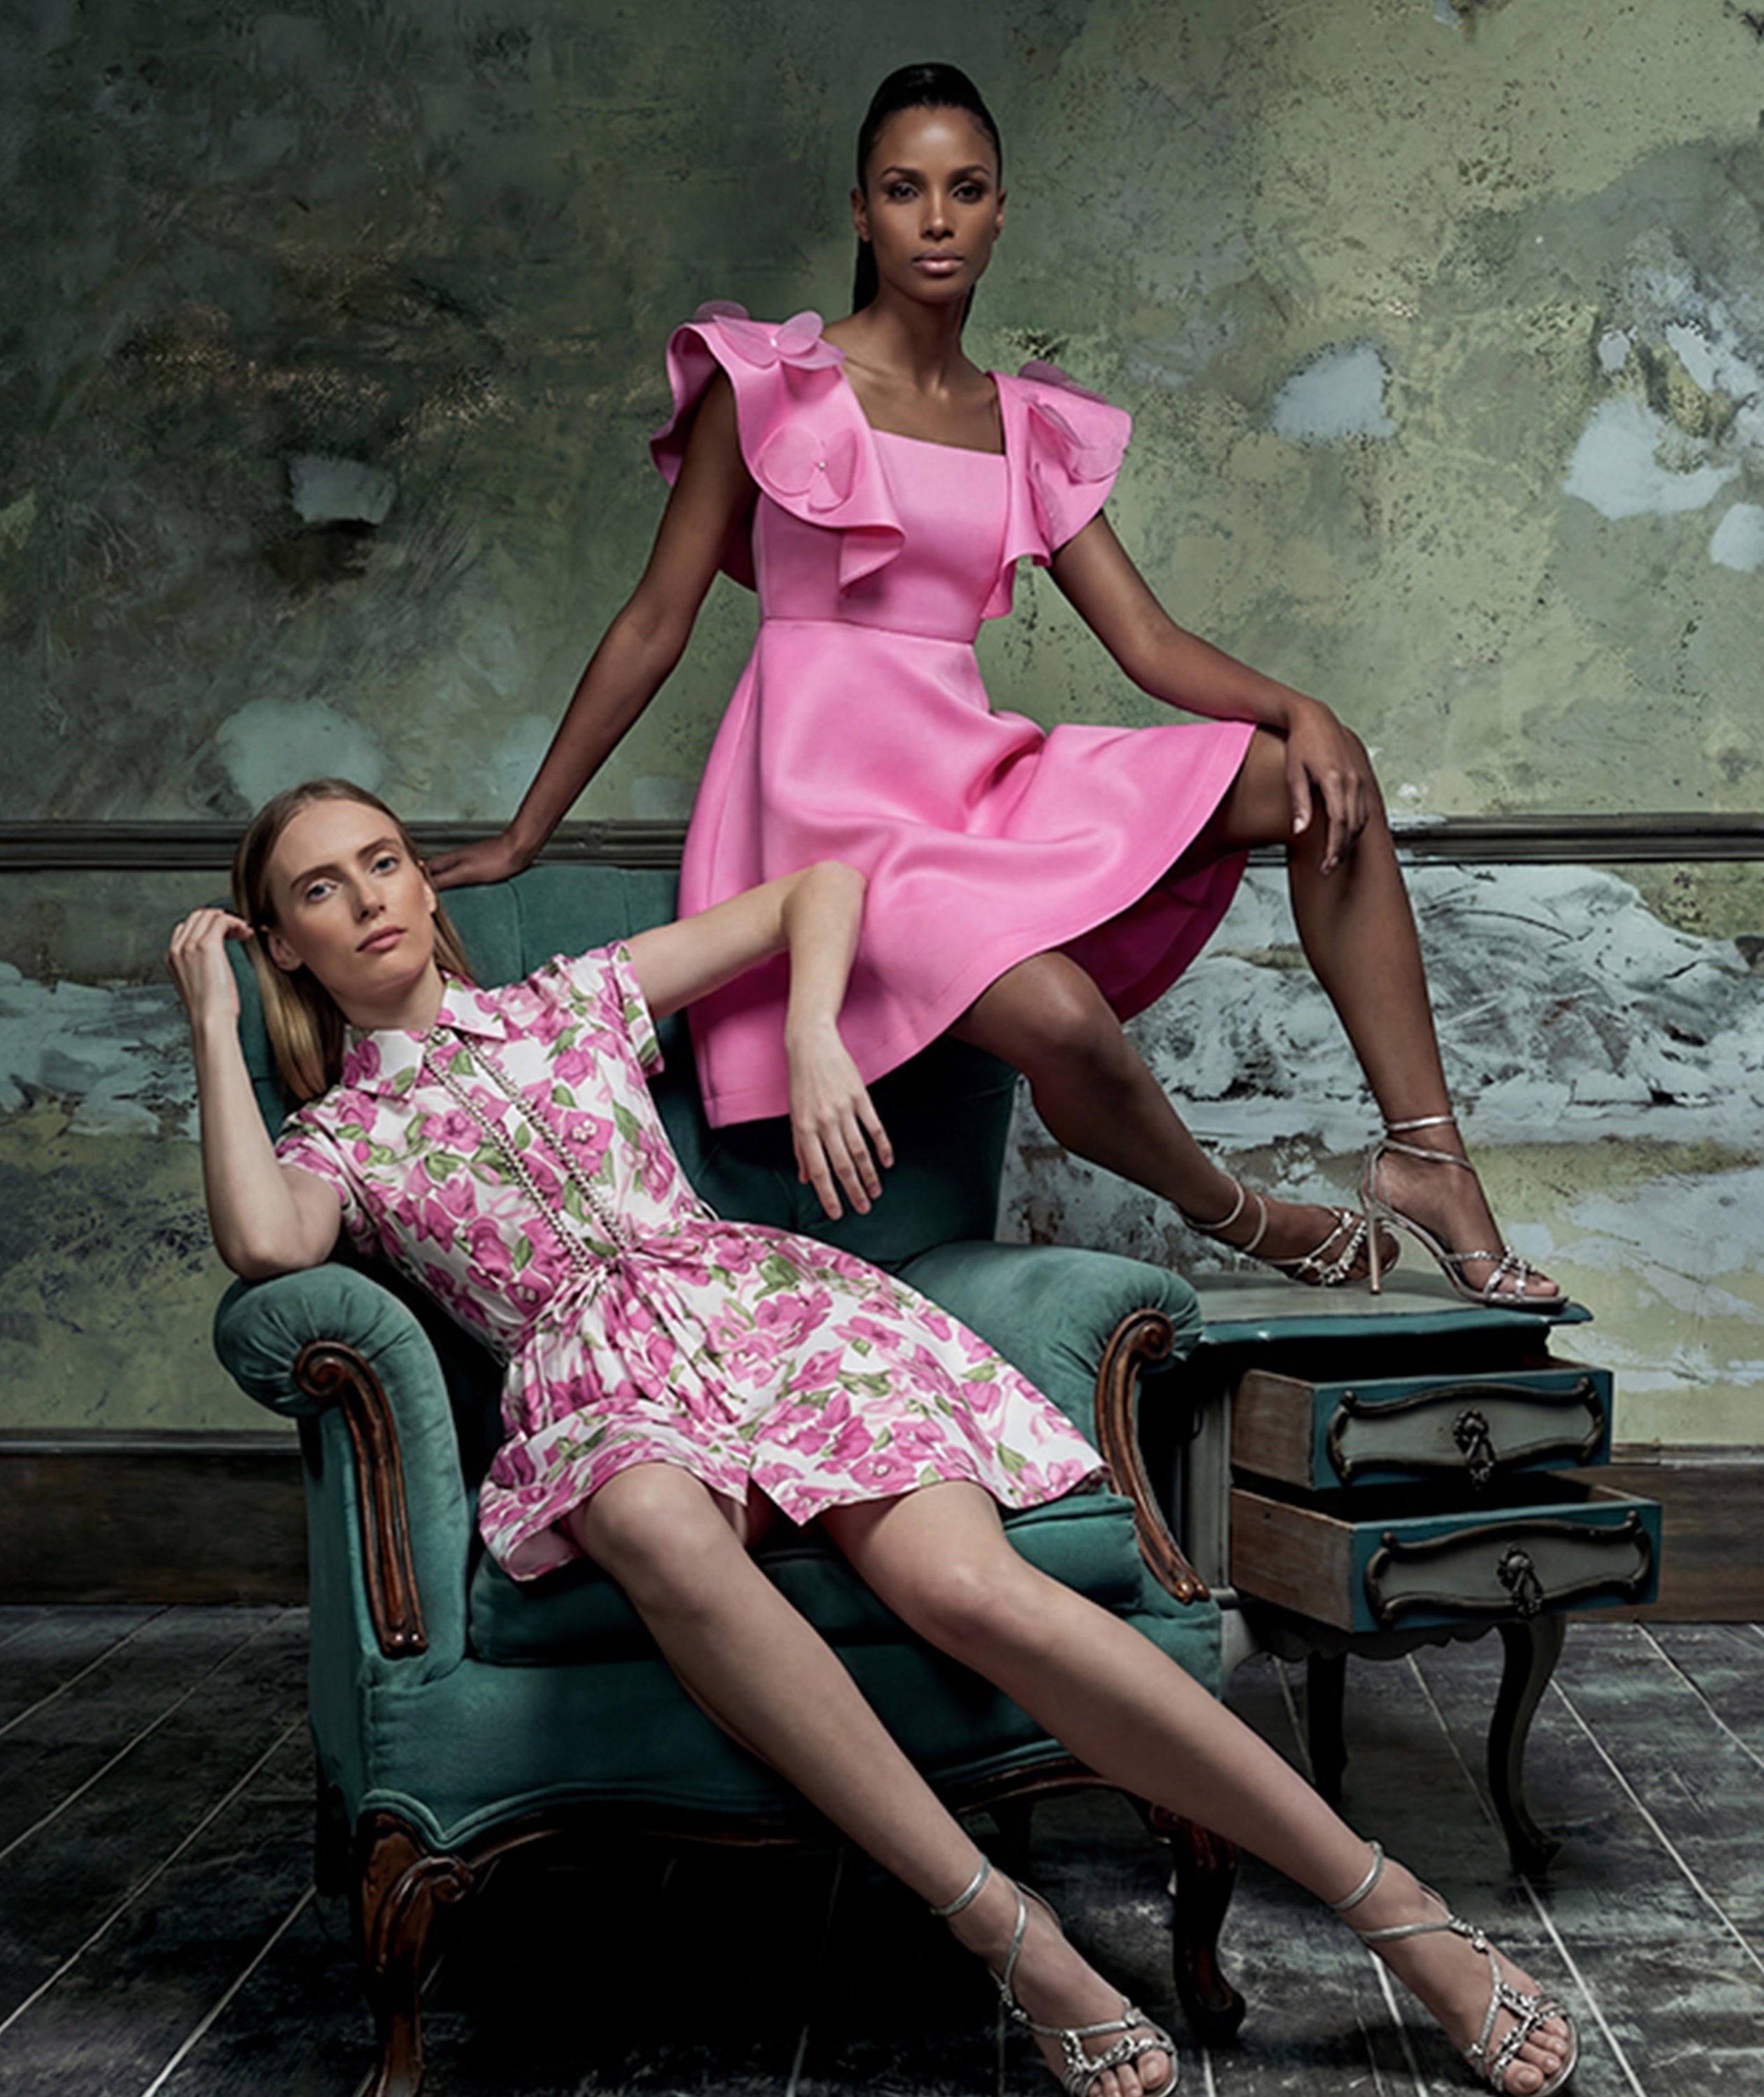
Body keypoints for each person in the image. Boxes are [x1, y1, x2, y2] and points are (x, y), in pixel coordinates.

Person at [169, 777, 1577, 2096]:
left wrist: (807, 1031)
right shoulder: (341, 1140)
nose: (367, 900)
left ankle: (1390, 1909)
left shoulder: (570, 1001)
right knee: (655, 1519)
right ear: (284, 947)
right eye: (316, 892)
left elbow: (816, 890)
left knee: (966, 1588)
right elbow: (261, 1240)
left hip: (768, 1313)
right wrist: (206, 1023)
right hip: (600, 1383)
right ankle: (1003, 1931)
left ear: (421, 881)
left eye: (383, 862)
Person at [427, 62, 1563, 1313]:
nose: (934, 219)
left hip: (967, 782)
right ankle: (1246, 1217)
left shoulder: (1023, 422)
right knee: (1069, 1023)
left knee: (1310, 782)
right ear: (860, 212)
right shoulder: (769, 389)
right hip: (831, 833)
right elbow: (656, 621)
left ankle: (1427, 1153)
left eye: (963, 191)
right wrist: (524, 832)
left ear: (1001, 213)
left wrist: (1309, 710)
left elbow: (1147, 640)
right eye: (904, 191)